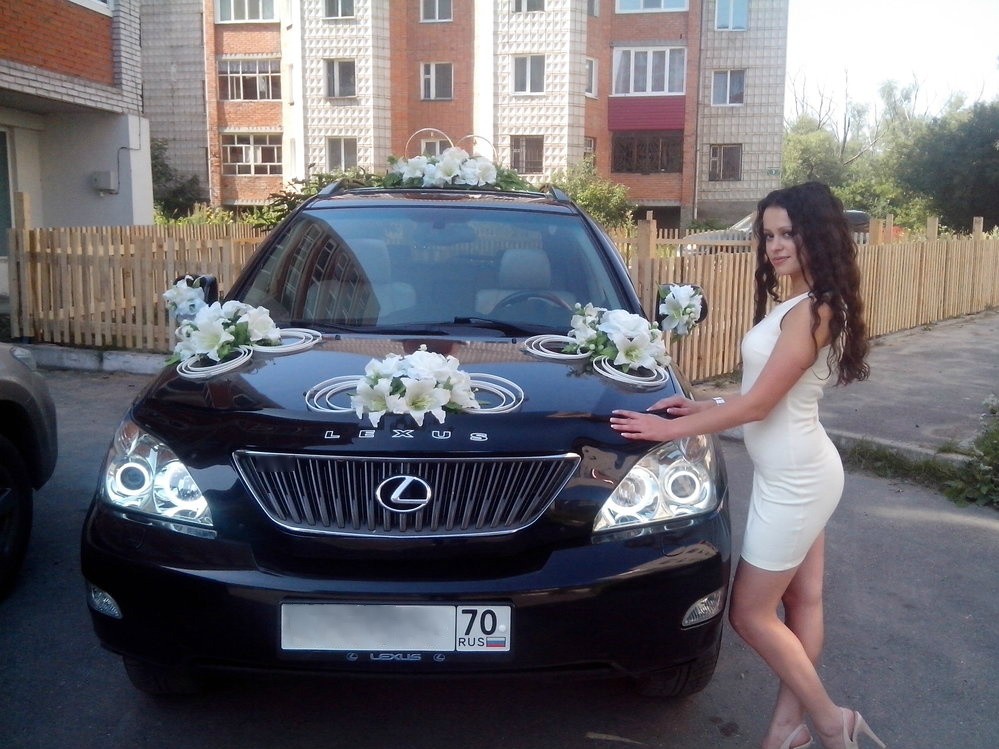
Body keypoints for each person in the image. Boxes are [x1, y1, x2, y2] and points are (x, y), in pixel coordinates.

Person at [609, 182, 885, 749]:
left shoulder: (815, 308)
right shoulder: (798, 303)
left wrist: (669, 430)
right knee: (802, 600)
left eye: (788, 234)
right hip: (794, 471)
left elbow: (759, 407)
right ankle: (786, 731)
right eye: (768, 235)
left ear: (819, 236)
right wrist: (705, 405)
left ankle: (831, 722)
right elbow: (765, 394)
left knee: (749, 614)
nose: (775, 246)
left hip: (799, 479)